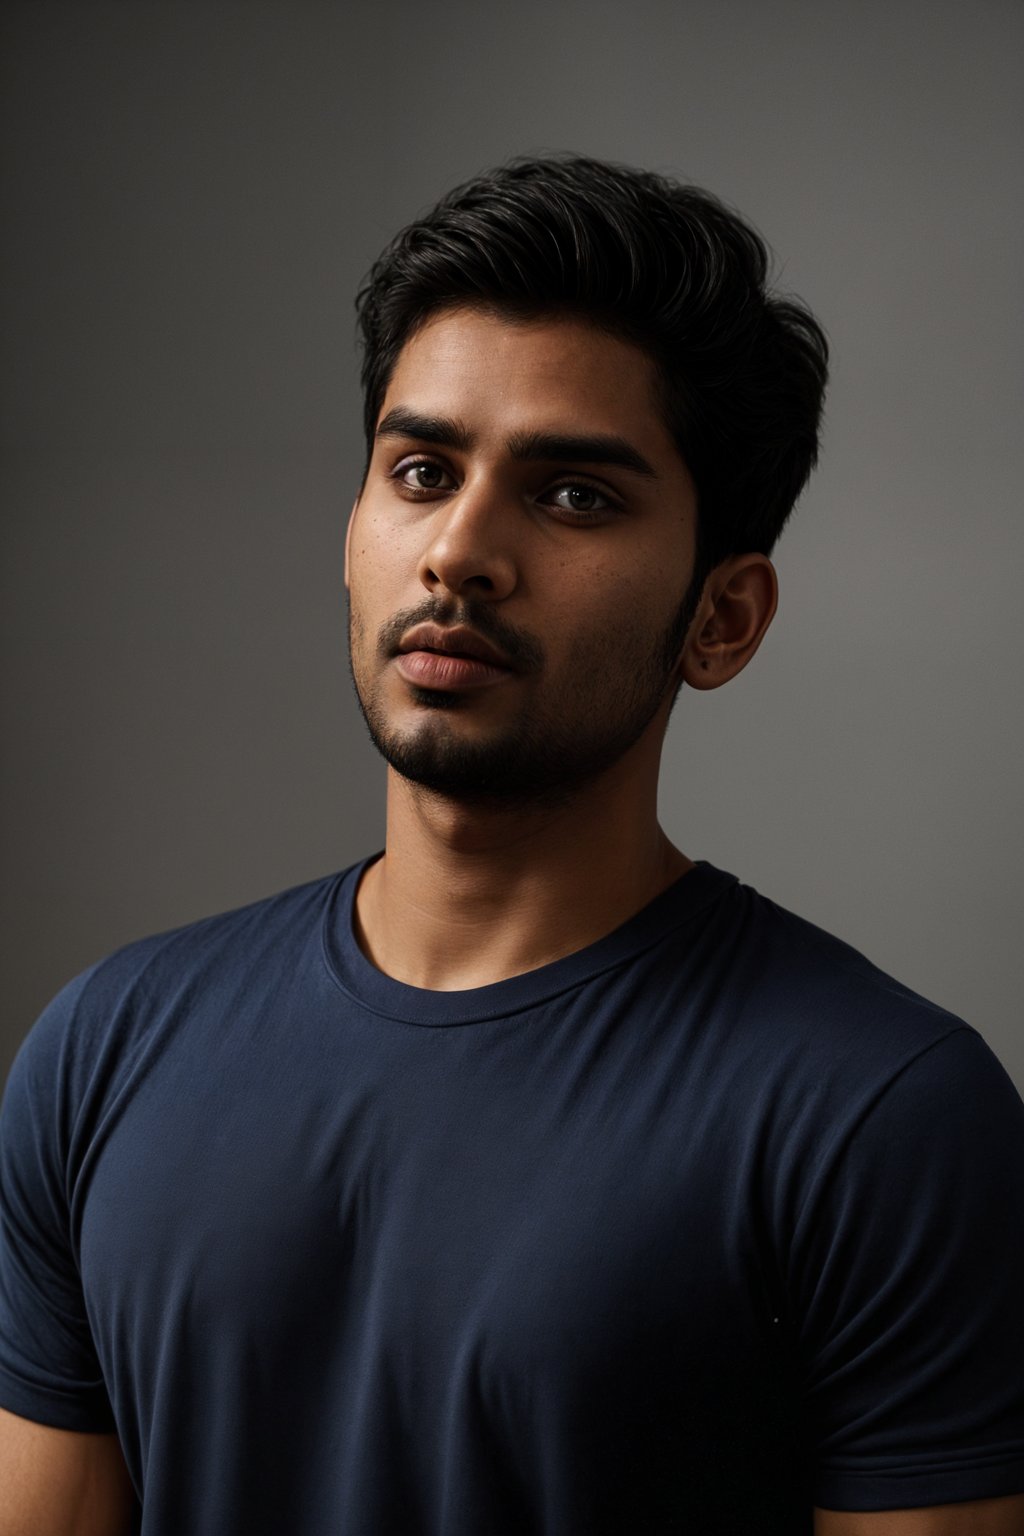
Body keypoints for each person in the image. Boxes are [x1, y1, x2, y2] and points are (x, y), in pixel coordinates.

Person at [1, 154, 1022, 1536]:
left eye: (574, 497)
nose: (460, 552)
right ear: (356, 529)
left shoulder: (882, 1118)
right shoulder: (104, 1048)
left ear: (723, 618)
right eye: (421, 470)